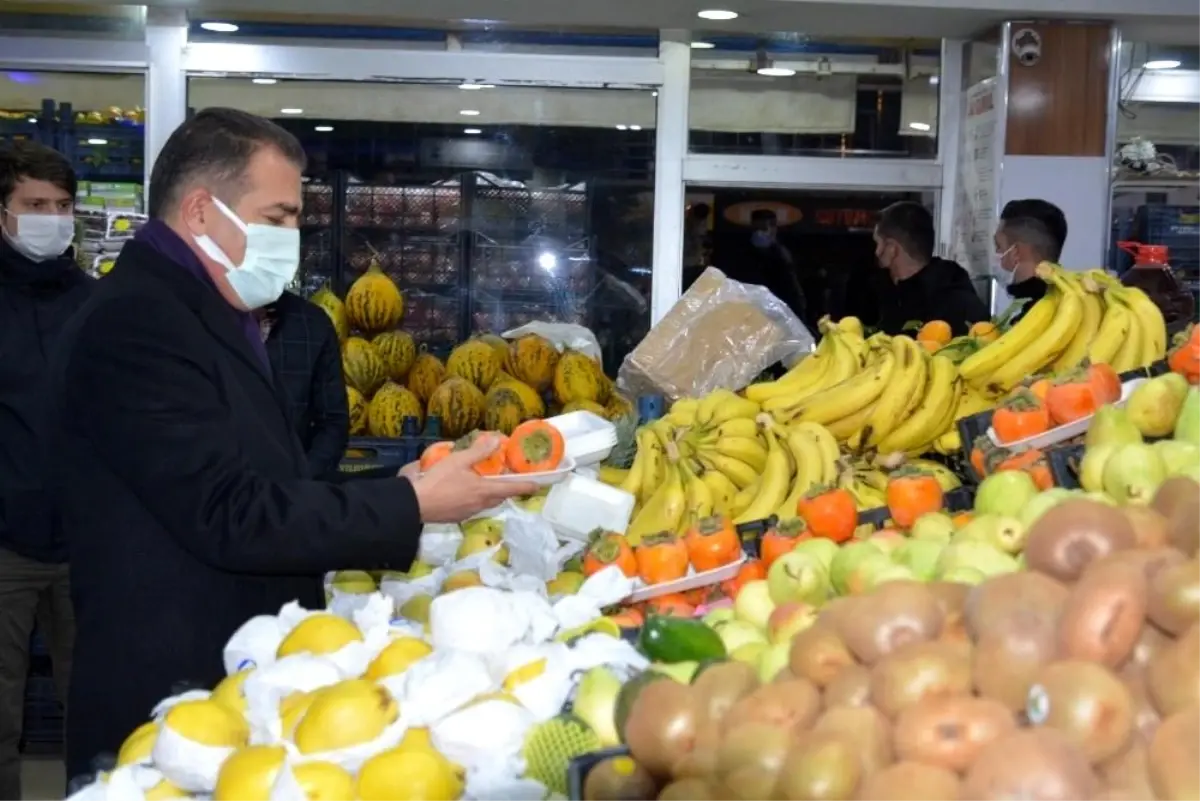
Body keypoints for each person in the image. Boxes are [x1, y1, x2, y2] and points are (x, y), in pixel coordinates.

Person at [45, 108, 538, 783]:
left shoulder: (204, 313)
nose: (292, 237)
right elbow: (231, 511)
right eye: (276, 217)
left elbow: (269, 478)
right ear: (199, 210)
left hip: (225, 678)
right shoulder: (136, 325)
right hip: (170, 700)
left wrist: (407, 484)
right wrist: (410, 504)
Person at [0, 141, 89, 800]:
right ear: (3, 210)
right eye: (35, 205)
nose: (51, 219)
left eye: (62, 207)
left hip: (87, 544)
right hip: (3, 546)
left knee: (91, 707)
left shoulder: (95, 303)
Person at [259, 290, 348, 479]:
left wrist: (304, 481)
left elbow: (333, 422)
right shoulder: (206, 318)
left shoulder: (312, 323)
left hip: (294, 487)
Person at [873, 201, 990, 336]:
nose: (876, 251)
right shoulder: (894, 297)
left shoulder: (960, 306)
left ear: (892, 248)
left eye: (877, 243)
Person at [726, 208, 808, 327]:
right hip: (749, 314)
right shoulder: (740, 255)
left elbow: (792, 288)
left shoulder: (783, 255)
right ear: (752, 228)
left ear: (775, 229)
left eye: (769, 227)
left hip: (779, 316)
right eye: (759, 228)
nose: (763, 233)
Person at [994, 199, 1068, 323]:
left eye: (998, 246)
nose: (996, 253)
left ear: (1016, 252)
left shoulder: (1029, 324)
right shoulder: (1067, 310)